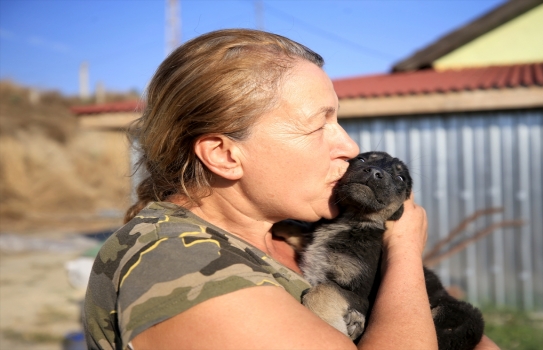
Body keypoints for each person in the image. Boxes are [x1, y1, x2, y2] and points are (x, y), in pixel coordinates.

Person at [83, 29, 498, 350]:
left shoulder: (285, 232)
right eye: (319, 125)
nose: (350, 147)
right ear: (225, 155)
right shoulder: (179, 268)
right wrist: (404, 247)